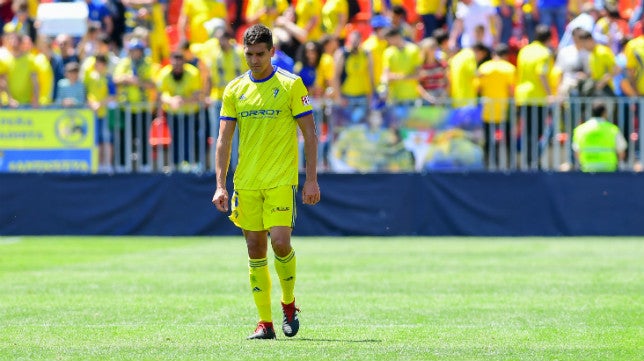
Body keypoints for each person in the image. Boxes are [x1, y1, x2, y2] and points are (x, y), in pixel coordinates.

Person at [211, 24, 320, 340]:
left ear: (272, 52)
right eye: (249, 54)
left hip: (280, 181)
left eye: (260, 54)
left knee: (281, 243)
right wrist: (221, 184)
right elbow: (223, 140)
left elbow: (310, 135)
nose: (254, 60)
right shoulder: (234, 89)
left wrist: (310, 180)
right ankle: (265, 323)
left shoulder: (290, 85)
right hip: (246, 184)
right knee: (255, 249)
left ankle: (288, 304)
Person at [572, 101, 626, 172]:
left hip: (587, 168)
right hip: (609, 168)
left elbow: (577, 152)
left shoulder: (580, 129)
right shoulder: (613, 129)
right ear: (604, 113)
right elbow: (621, 152)